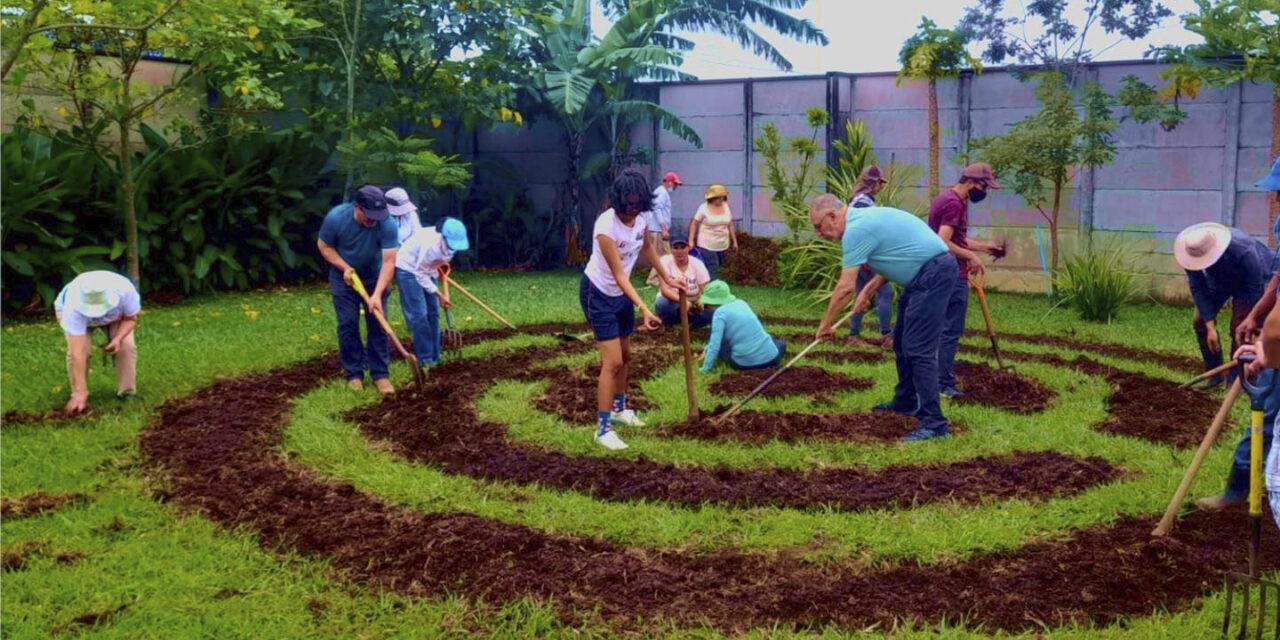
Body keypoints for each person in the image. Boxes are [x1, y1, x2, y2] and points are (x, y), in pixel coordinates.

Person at [810, 193, 956, 441]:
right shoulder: (863, 221)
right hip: (923, 275)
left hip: (933, 274)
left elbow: (845, 287)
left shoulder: (856, 230)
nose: (818, 233)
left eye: (818, 226)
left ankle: (935, 424)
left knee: (918, 349)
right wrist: (867, 292)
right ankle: (905, 402)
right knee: (901, 342)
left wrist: (825, 326)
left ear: (832, 216)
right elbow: (896, 255)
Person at [581, 169, 684, 450]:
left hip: (621, 296)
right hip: (599, 294)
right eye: (627, 209)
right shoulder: (606, 227)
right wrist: (644, 309)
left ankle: (619, 409)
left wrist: (667, 275)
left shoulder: (641, 218)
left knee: (626, 356)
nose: (632, 215)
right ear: (618, 202)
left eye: (637, 208)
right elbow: (620, 275)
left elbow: (647, 248)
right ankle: (602, 430)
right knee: (612, 362)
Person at [1199, 156, 1280, 512]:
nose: (1276, 199)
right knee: (1268, 411)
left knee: (1268, 413)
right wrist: (1258, 319)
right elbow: (1279, 279)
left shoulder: (1245, 251)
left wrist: (1264, 348)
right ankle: (1237, 490)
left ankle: (1242, 491)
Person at [928, 163, 1007, 398]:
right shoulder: (954, 203)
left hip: (945, 271)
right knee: (950, 331)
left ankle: (938, 378)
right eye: (985, 186)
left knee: (944, 329)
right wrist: (971, 256)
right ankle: (944, 384)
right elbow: (942, 242)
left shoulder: (949, 198)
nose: (986, 192)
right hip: (951, 275)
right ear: (971, 182)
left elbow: (956, 240)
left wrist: (983, 247)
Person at [317, 185, 399, 394]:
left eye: (377, 216)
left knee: (378, 324)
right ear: (357, 207)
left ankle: (380, 375)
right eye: (369, 215)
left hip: (374, 276)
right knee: (348, 324)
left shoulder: (387, 223)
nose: (373, 220)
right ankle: (354, 374)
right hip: (343, 277)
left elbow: (389, 262)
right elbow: (324, 246)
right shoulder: (336, 218)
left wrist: (377, 294)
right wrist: (344, 267)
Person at [1174, 222, 1271, 389]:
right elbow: (1198, 287)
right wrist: (1210, 327)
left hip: (1251, 282)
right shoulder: (1190, 251)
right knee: (1200, 321)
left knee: (1240, 328)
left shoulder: (1243, 249)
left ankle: (1237, 379)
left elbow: (1255, 287)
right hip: (1220, 281)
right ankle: (1215, 374)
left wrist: (1251, 318)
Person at [54, 271, 141, 414]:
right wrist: (80, 391)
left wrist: (118, 338)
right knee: (81, 351)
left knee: (127, 346)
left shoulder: (125, 290)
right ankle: (78, 393)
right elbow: (78, 353)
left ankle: (127, 392)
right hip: (78, 317)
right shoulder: (72, 306)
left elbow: (130, 318)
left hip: (116, 318)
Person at [395, 217, 468, 368]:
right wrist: (439, 294)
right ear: (444, 237)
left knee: (434, 312)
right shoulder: (431, 247)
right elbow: (419, 273)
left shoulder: (450, 247)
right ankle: (426, 358)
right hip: (408, 269)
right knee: (420, 314)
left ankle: (436, 355)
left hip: (427, 269)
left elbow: (433, 266)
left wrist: (438, 291)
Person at [847, 166, 893, 343]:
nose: (881, 187)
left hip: (858, 253)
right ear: (874, 183)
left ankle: (853, 334)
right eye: (880, 183)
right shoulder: (863, 203)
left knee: (861, 294)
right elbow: (864, 230)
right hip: (866, 255)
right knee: (886, 292)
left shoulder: (858, 200)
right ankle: (885, 334)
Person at [698, 281, 786, 372]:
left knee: (722, 346)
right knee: (779, 343)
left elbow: (715, 345)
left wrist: (705, 369)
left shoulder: (719, 314)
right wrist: (707, 349)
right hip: (773, 359)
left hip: (745, 364)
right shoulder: (741, 303)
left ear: (712, 303)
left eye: (707, 305)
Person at [655, 230, 713, 328]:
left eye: (683, 247)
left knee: (711, 312)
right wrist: (684, 302)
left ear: (688, 248)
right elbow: (664, 290)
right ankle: (672, 321)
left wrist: (701, 302)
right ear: (671, 249)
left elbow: (705, 288)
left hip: (694, 302)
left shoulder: (697, 264)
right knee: (662, 304)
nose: (679, 251)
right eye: (676, 248)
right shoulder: (664, 262)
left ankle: (692, 325)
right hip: (673, 301)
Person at [689, 184, 737, 281]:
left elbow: (730, 224)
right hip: (706, 244)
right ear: (712, 198)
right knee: (713, 266)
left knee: (718, 265)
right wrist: (691, 241)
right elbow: (694, 224)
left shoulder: (726, 207)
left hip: (722, 244)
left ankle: (708, 283)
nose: (720, 200)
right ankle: (714, 288)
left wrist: (734, 241)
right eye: (718, 198)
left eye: (722, 197)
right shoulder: (703, 208)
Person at [645, 171, 682, 285]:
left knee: (663, 255)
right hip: (658, 230)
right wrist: (664, 228)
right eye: (675, 184)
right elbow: (657, 209)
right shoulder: (662, 192)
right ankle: (653, 280)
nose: (676, 187)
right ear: (670, 183)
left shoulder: (661, 192)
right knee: (663, 257)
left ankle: (656, 278)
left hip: (657, 229)